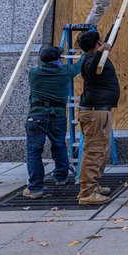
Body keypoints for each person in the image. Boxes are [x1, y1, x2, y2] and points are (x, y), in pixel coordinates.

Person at [23, 46, 84, 199]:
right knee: (59, 145)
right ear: (58, 60)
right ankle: (61, 177)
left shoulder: (34, 73)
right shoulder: (64, 72)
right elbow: (79, 65)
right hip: (57, 115)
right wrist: (84, 53)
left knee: (34, 152)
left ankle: (35, 188)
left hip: (36, 116)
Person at [76, 31, 119, 205]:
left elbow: (111, 37)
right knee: (94, 151)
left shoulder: (96, 56)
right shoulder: (90, 60)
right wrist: (100, 52)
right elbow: (92, 70)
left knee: (102, 150)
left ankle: (94, 185)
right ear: (97, 44)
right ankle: (87, 192)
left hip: (100, 111)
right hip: (95, 113)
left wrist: (119, 18)